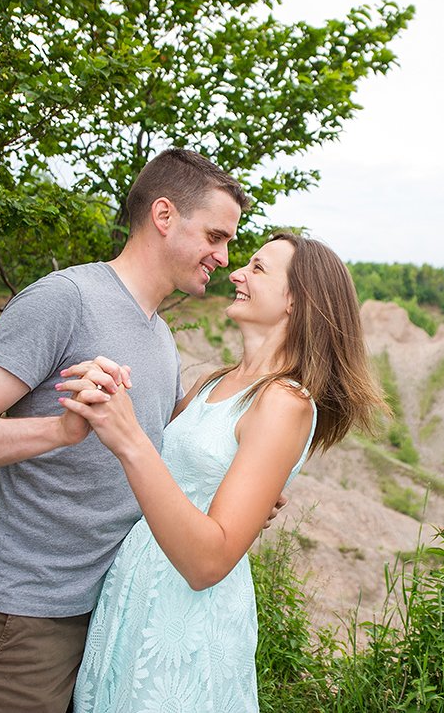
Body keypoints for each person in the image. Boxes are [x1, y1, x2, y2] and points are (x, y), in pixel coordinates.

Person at [0, 148, 251, 712]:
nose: (222, 257)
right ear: (164, 216)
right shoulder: (65, 300)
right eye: (215, 236)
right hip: (23, 616)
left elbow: (153, 454)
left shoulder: (159, 336)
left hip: (109, 614)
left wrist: (241, 491)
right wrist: (60, 431)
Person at [56, 231, 384, 711]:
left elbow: (208, 563)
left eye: (257, 268)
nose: (236, 273)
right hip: (137, 596)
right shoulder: (214, 382)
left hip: (186, 617)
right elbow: (171, 478)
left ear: (296, 300)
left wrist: (127, 436)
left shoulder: (284, 402)